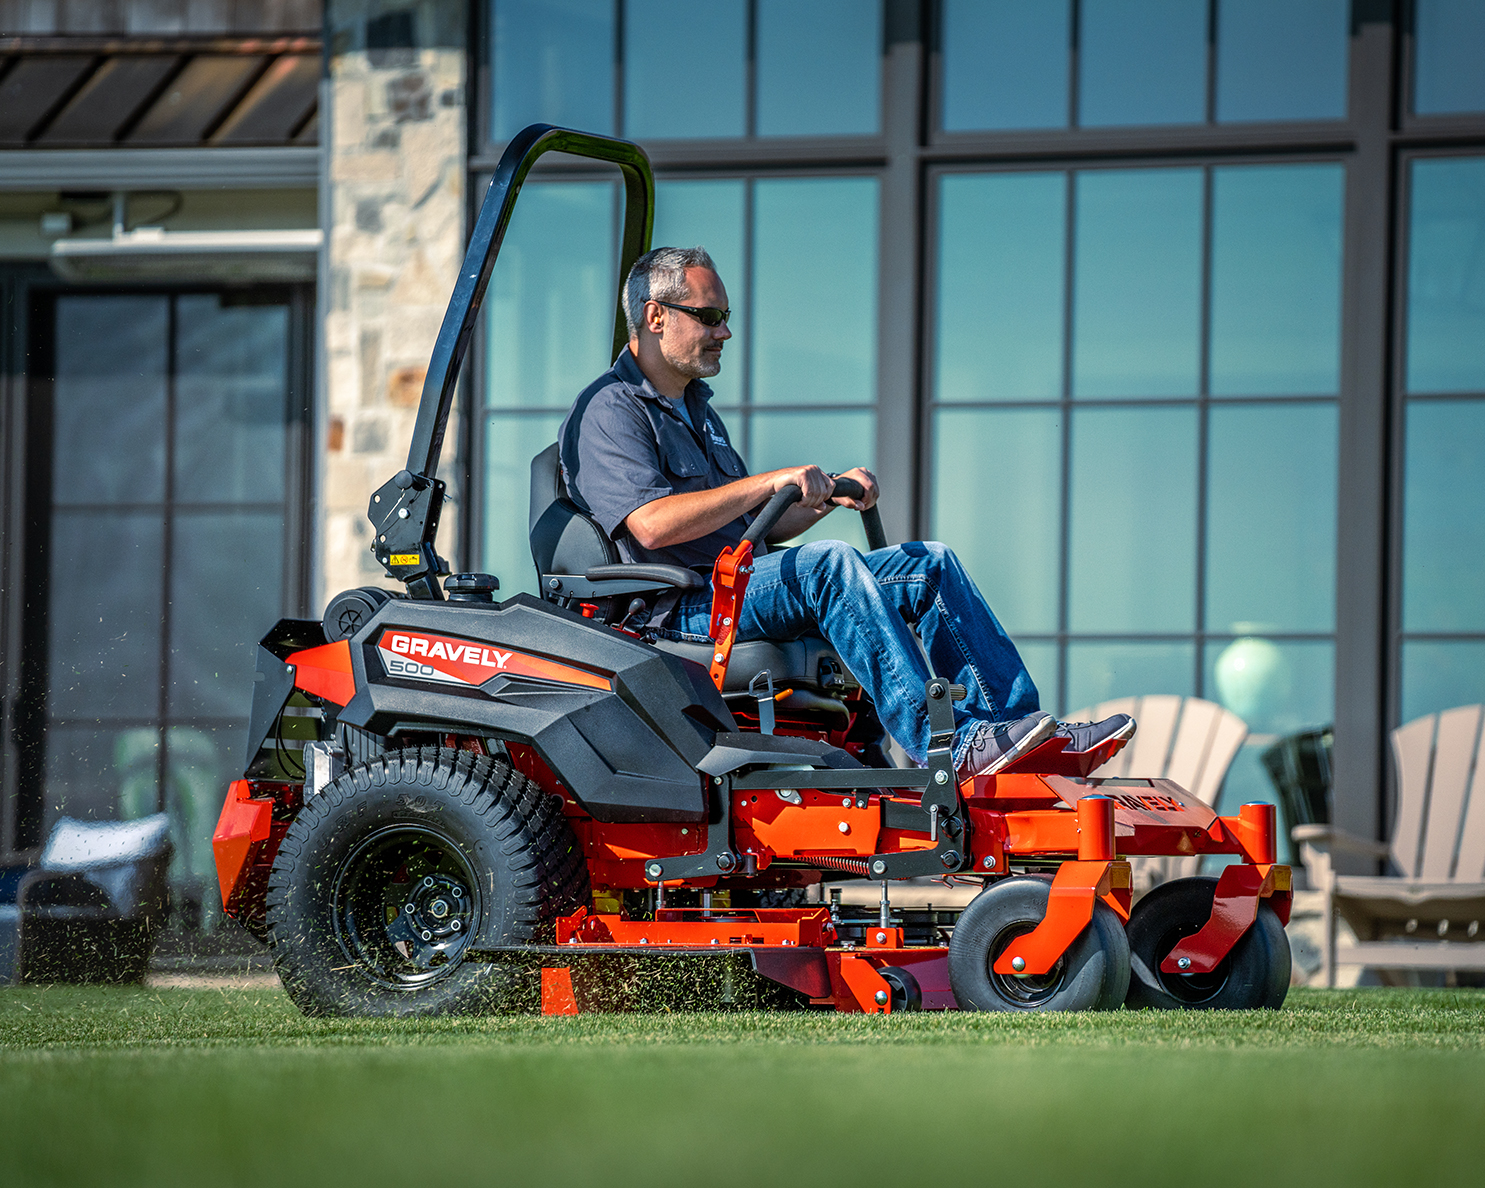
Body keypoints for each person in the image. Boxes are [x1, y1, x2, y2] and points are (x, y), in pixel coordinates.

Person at [559, 246, 1133, 779]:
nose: (725, 331)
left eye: (725, 316)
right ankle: (947, 747)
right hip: (681, 610)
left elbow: (751, 528)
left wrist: (826, 498)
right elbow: (652, 524)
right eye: (709, 317)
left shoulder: (698, 413)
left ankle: (1012, 734)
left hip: (738, 585)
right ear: (656, 316)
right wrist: (772, 480)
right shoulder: (611, 409)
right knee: (828, 566)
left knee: (927, 563)